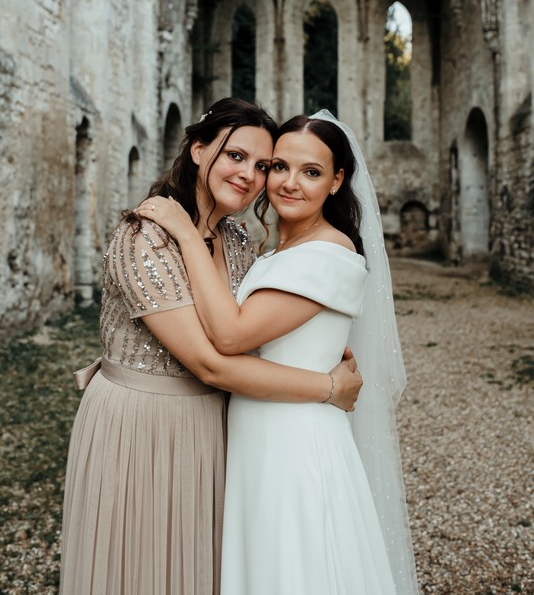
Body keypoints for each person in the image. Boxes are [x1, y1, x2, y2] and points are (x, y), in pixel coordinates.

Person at [59, 99, 362, 595]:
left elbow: (260, 329)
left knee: (203, 569)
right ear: (199, 150)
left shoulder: (241, 242)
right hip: (141, 424)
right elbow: (209, 360)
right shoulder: (145, 237)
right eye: (235, 155)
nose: (249, 174)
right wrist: (328, 385)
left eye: (262, 165)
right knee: (139, 567)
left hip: (217, 429)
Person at [136, 110, 419, 595]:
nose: (289, 183)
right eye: (279, 167)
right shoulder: (277, 251)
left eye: (311, 172)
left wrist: (183, 232)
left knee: (298, 569)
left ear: (337, 181)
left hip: (295, 444)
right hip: (259, 439)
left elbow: (229, 336)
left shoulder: (330, 255)